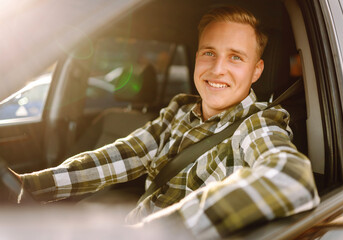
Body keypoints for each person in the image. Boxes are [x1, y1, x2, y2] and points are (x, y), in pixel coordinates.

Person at [12, 6, 319, 239]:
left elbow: (291, 178)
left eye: (236, 57)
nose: (217, 69)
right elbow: (125, 154)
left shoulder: (260, 124)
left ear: (256, 70)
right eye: (209, 53)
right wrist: (32, 186)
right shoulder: (180, 109)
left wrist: (158, 231)